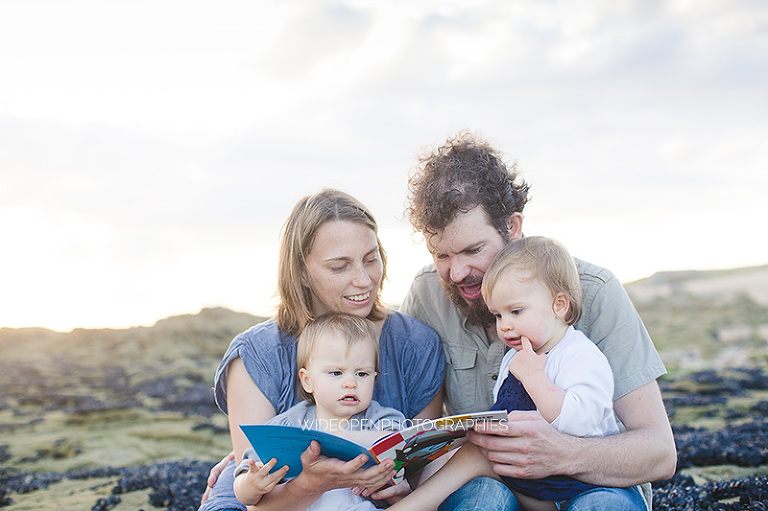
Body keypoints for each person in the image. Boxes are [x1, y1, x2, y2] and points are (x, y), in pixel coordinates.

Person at [400, 132, 677, 510]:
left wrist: (564, 455)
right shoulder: (428, 296)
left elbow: (660, 453)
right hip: (490, 483)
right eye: (441, 255)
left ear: (512, 226)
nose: (457, 271)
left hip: (593, 487)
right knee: (483, 501)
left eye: (472, 250)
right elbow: (423, 441)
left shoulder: (593, 291)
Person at [199, 189, 445, 511]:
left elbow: (419, 470)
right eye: (339, 267)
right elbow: (257, 498)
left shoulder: (416, 344)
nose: (364, 280)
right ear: (302, 271)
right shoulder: (256, 355)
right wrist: (311, 485)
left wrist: (402, 491)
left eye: (371, 259)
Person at [390, 236, 642, 511]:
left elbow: (579, 423)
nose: (505, 326)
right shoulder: (515, 357)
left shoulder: (579, 354)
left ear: (559, 305)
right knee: (476, 466)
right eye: (498, 315)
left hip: (580, 484)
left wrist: (534, 378)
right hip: (531, 485)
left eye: (516, 311)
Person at [234, 313, 406, 511]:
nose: (351, 383)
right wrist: (251, 485)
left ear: (374, 378)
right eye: (336, 373)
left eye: (362, 374)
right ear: (307, 380)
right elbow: (244, 490)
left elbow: (395, 440)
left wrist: (326, 437)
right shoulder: (290, 425)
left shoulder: (379, 418)